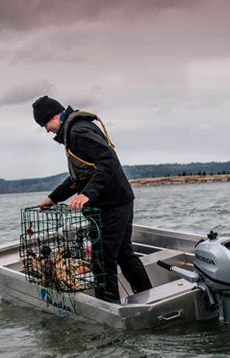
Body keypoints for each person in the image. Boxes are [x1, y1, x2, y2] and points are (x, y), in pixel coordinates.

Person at [31, 95, 153, 303]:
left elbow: (108, 159)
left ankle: (110, 310)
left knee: (102, 262)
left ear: (54, 116)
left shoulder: (77, 132)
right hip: (119, 200)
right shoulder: (75, 130)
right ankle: (149, 297)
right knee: (124, 254)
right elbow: (80, 175)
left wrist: (87, 193)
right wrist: (53, 198)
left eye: (45, 124)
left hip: (110, 205)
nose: (47, 130)